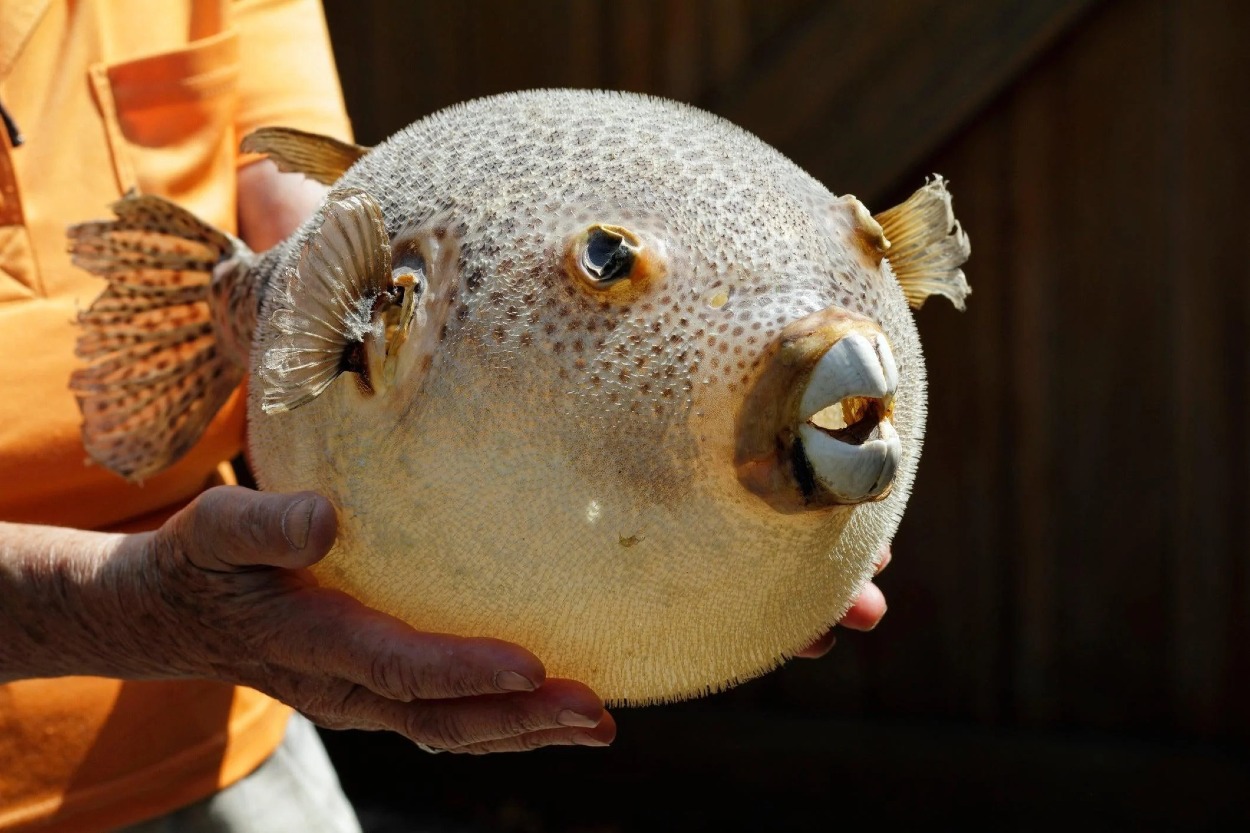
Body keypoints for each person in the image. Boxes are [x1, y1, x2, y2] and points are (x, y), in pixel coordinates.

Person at [0, 2, 888, 831]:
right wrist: (119, 605)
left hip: (210, 732)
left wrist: (404, 366)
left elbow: (307, 193)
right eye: (607, 260)